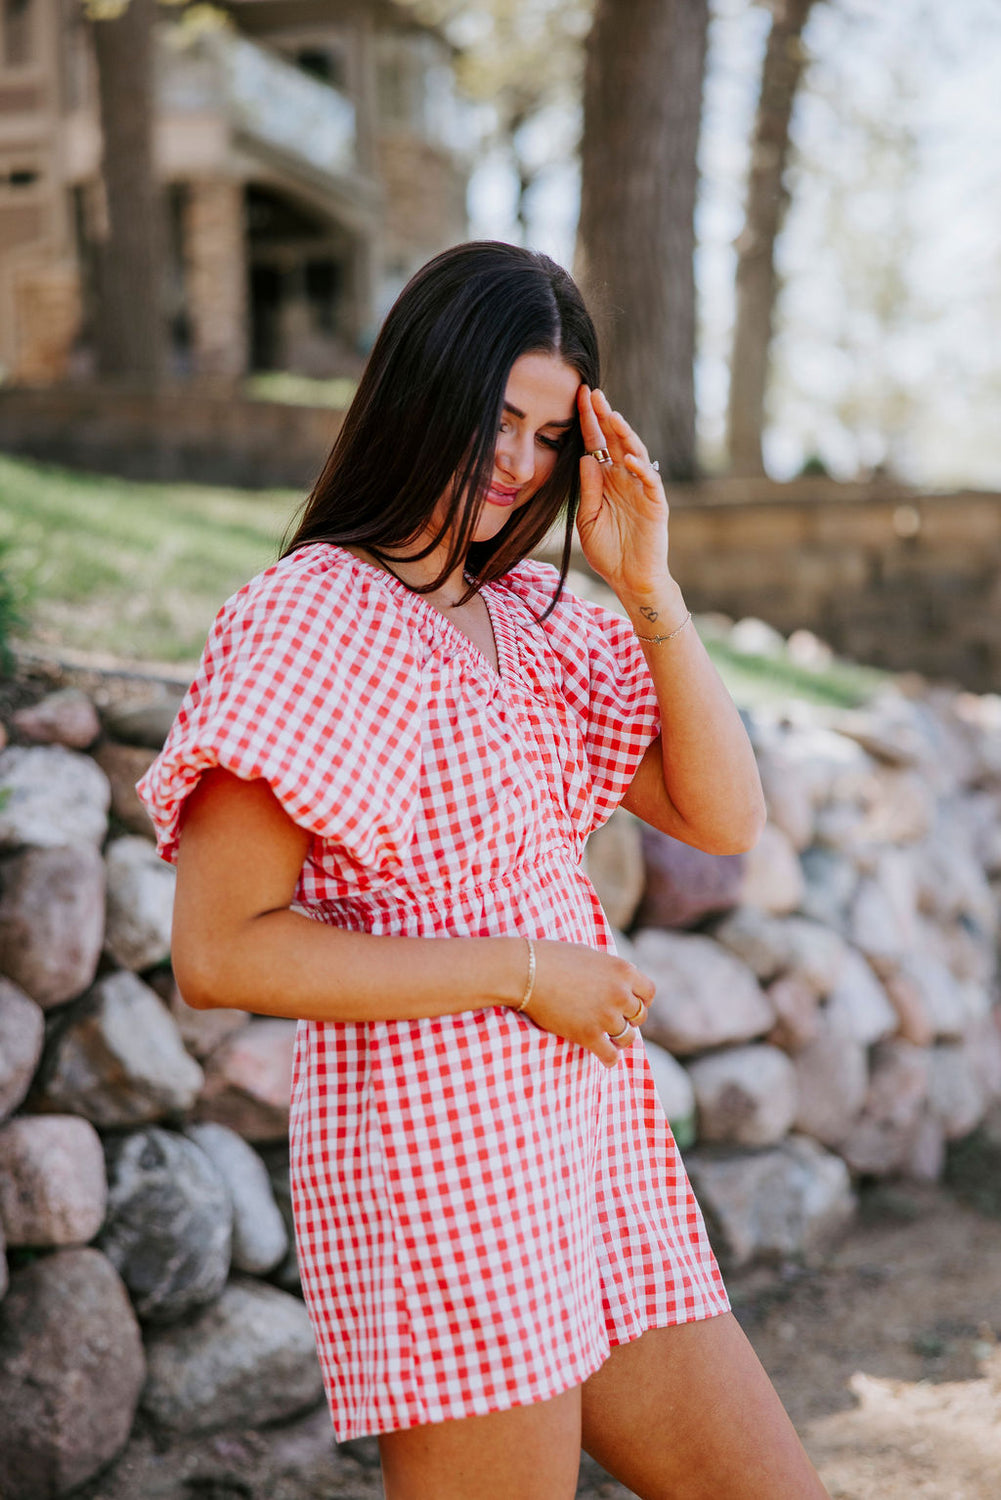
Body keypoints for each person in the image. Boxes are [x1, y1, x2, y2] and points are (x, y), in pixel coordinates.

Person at [138, 241, 829, 1500]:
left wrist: (648, 585)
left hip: (591, 1144)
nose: (516, 466)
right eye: (493, 420)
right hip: (438, 1164)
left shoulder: (542, 619)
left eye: (549, 438)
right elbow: (219, 949)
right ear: (421, 392)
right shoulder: (311, 617)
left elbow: (723, 817)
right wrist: (522, 974)